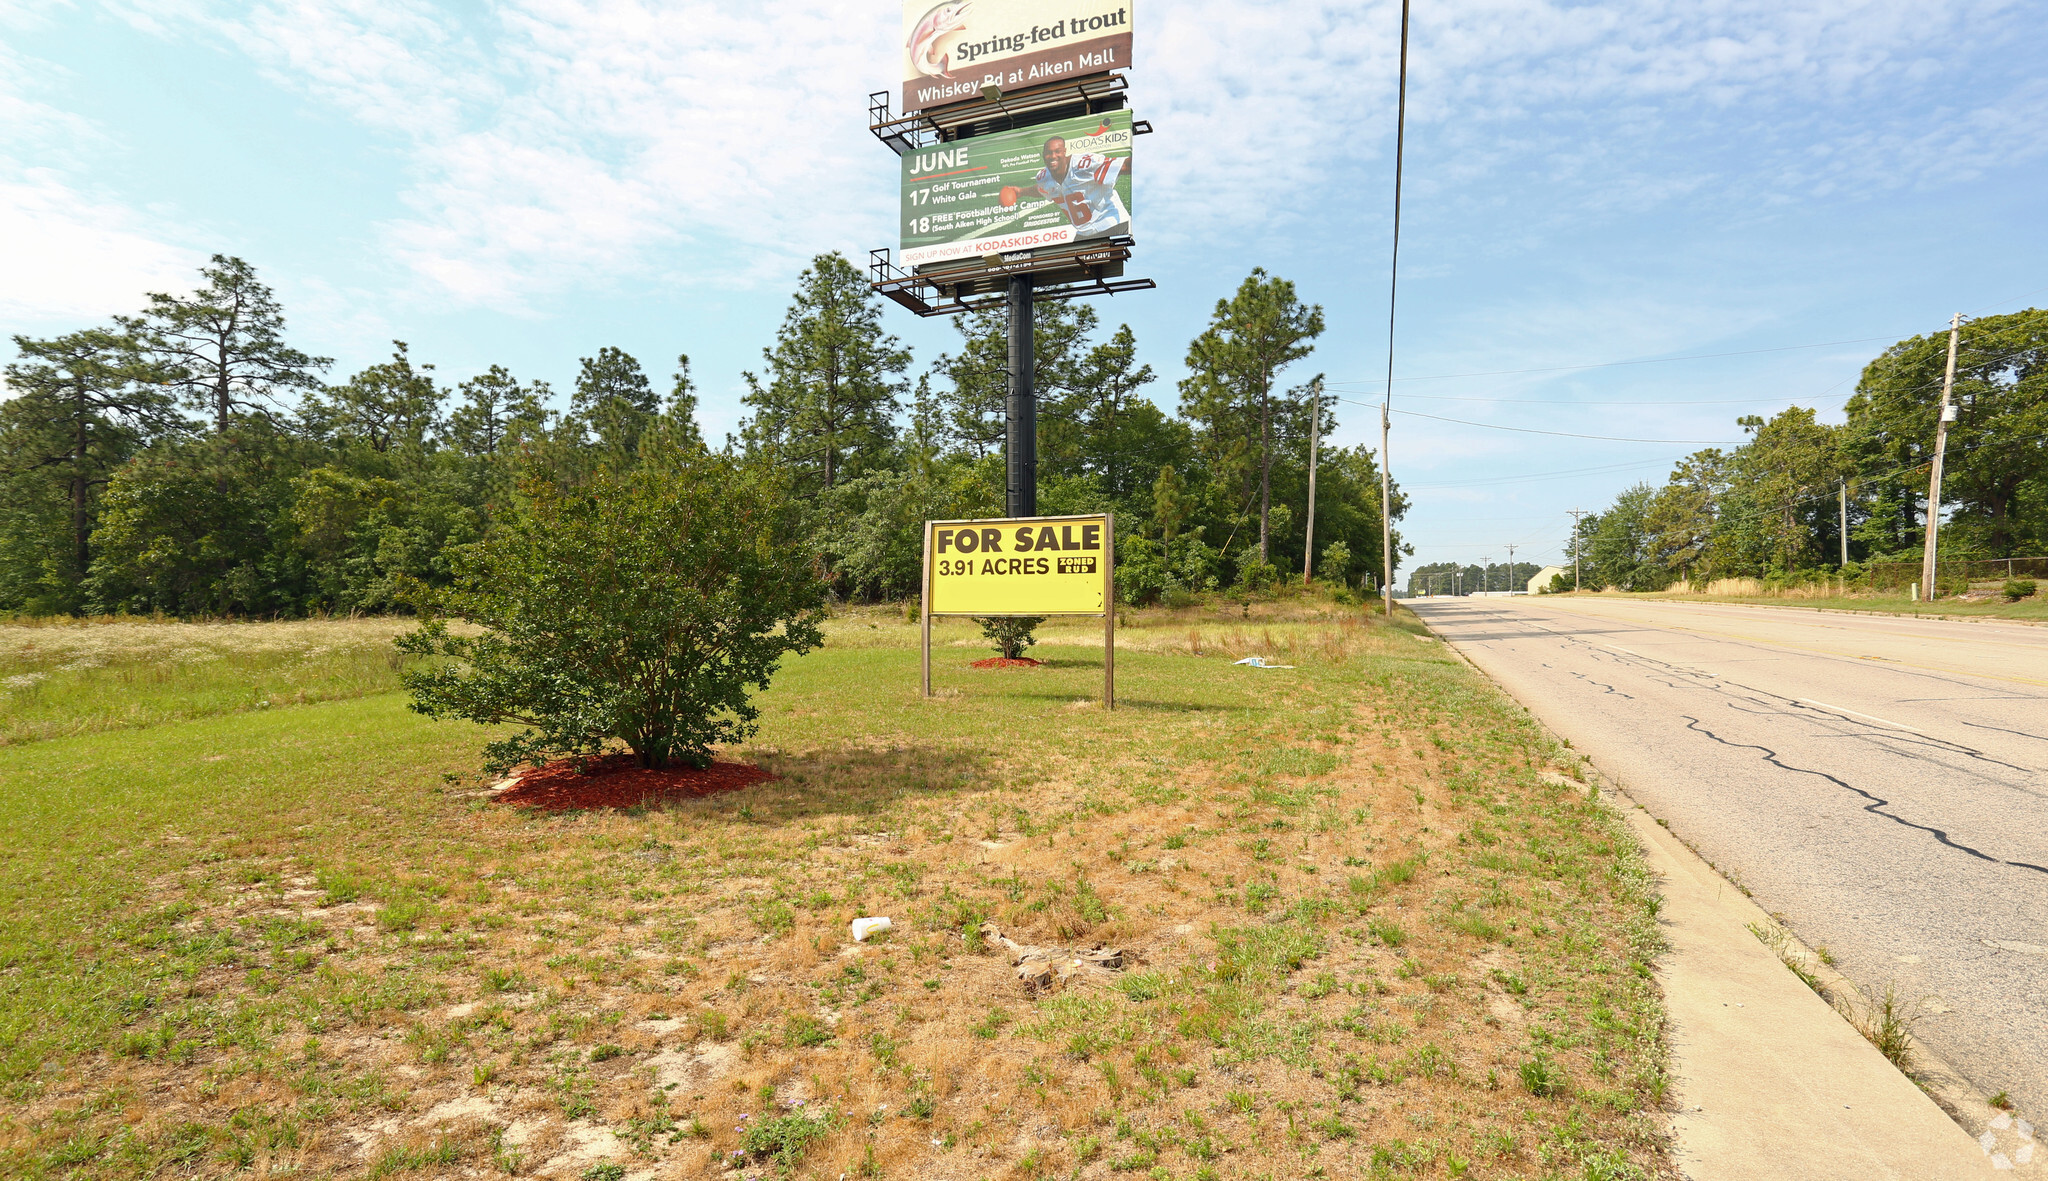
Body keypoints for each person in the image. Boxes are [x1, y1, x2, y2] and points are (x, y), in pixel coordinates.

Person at [999, 134, 1130, 236]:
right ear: (1043, 155)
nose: (1052, 156)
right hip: (1085, 233)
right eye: (1048, 153)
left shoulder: (1083, 165)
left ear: (1064, 152)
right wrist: (1021, 191)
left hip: (1112, 224)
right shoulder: (1044, 177)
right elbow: (1041, 189)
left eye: (1057, 151)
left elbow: (1124, 165)